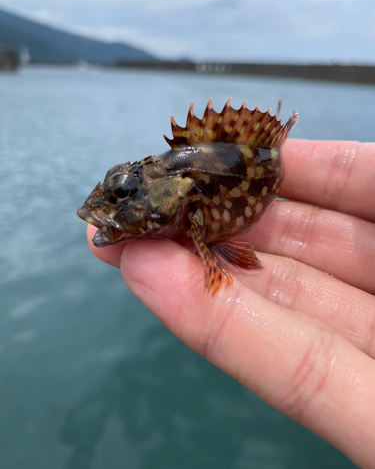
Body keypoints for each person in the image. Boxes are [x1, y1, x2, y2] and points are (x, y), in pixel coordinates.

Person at [86, 140, 375, 468]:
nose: (110, 210)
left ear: (177, 191)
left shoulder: (184, 188)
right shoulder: (173, 180)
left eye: (123, 194)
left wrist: (210, 257)